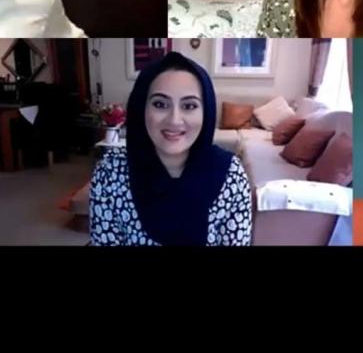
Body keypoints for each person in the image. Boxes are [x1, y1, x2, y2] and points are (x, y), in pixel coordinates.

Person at [90, 51, 252, 245]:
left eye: (189, 106)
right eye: (160, 104)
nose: (175, 120)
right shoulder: (110, 173)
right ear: (142, 108)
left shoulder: (231, 175)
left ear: (206, 111)